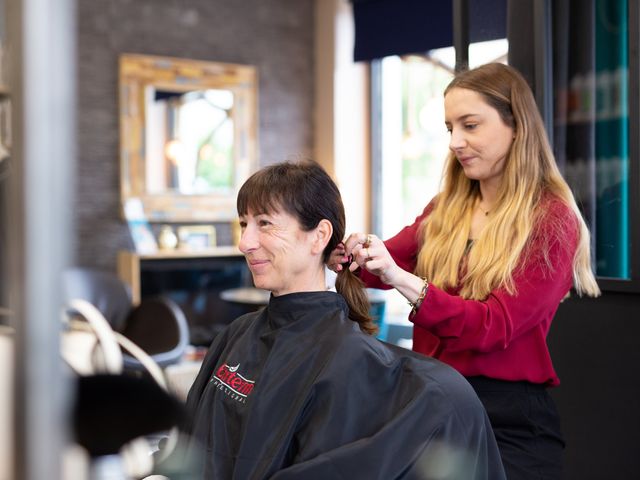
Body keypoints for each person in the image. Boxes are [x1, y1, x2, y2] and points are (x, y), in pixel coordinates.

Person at [330, 63, 601, 480]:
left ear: (516, 125)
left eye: (470, 125)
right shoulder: (446, 209)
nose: (456, 142)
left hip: (508, 422)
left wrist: (401, 278)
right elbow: (380, 264)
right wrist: (345, 253)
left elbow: (492, 326)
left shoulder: (551, 220)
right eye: (449, 128)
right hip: (432, 403)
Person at [177, 161, 506, 479]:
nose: (245, 242)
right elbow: (188, 444)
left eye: (264, 223)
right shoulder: (235, 335)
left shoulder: (345, 361)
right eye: (243, 224)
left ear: (319, 236)